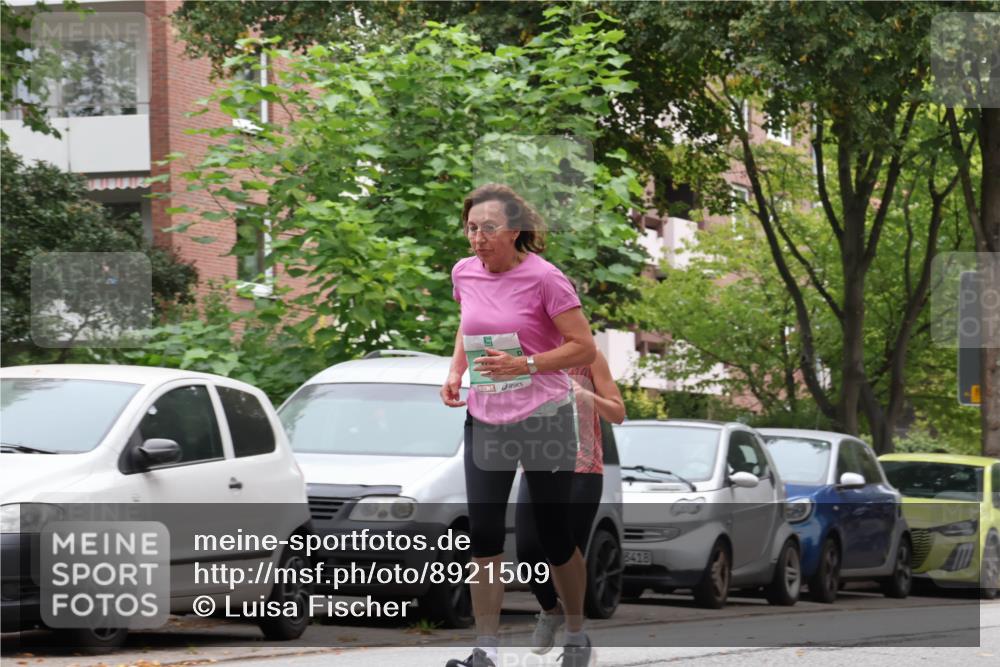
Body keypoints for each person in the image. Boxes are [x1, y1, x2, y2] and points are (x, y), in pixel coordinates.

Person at [441, 183, 597, 667]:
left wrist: (527, 365)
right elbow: (468, 322)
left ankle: (574, 632)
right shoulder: (464, 273)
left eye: (489, 228)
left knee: (553, 536)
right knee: (484, 533)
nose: (478, 237)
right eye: (472, 228)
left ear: (514, 231)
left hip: (544, 419)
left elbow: (583, 348)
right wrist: (455, 370)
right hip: (486, 418)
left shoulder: (546, 279)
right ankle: (484, 649)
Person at [515, 349, 625, 655]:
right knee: (526, 552)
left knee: (563, 555)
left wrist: (586, 396)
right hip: (538, 465)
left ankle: (575, 635)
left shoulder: (590, 358)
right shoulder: (529, 356)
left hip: (583, 470)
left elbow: (618, 412)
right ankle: (551, 610)